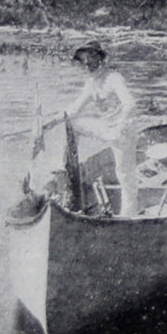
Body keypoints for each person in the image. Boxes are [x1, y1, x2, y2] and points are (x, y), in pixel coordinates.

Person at [45, 40, 139, 217]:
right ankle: (64, 166)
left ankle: (129, 215)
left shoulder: (113, 78)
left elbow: (130, 104)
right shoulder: (91, 82)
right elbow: (74, 109)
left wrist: (120, 125)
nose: (86, 63)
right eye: (83, 60)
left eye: (90, 58)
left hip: (123, 132)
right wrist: (51, 122)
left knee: (124, 175)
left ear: (100, 58)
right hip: (107, 129)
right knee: (73, 124)